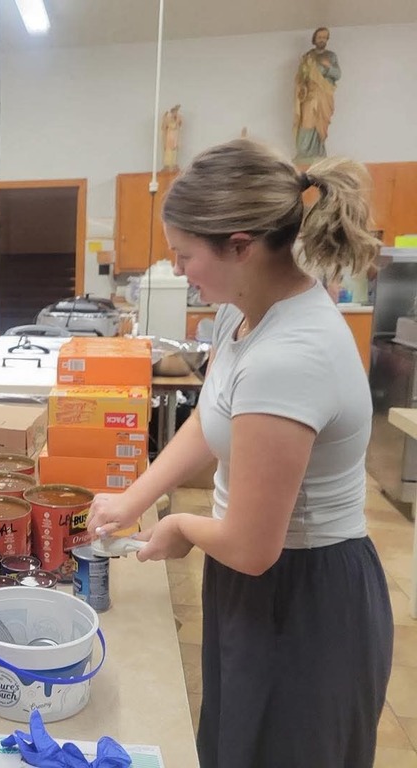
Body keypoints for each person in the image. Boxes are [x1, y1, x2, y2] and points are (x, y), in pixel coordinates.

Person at [86, 138, 392, 768]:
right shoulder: (245, 314)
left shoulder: (290, 356)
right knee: (234, 743)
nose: (180, 271)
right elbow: (210, 418)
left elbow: (254, 546)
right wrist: (135, 497)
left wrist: (178, 525)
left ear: (242, 244)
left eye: (185, 255)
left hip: (303, 595)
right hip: (255, 577)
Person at [293, 26, 341, 162]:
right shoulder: (308, 56)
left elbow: (338, 74)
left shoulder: (331, 56)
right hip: (310, 93)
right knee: (306, 121)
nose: (322, 40)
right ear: (314, 39)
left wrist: (328, 67)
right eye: (320, 37)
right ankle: (303, 152)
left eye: (325, 38)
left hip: (324, 94)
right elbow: (301, 77)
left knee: (320, 123)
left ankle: (318, 152)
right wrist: (302, 85)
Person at [161, 104, 182, 171]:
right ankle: (167, 164)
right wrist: (164, 118)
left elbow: (180, 124)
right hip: (169, 136)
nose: (175, 113)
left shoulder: (177, 119)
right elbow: (164, 127)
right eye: (174, 112)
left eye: (176, 112)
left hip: (175, 136)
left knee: (174, 150)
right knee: (168, 151)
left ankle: (173, 164)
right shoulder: (168, 119)